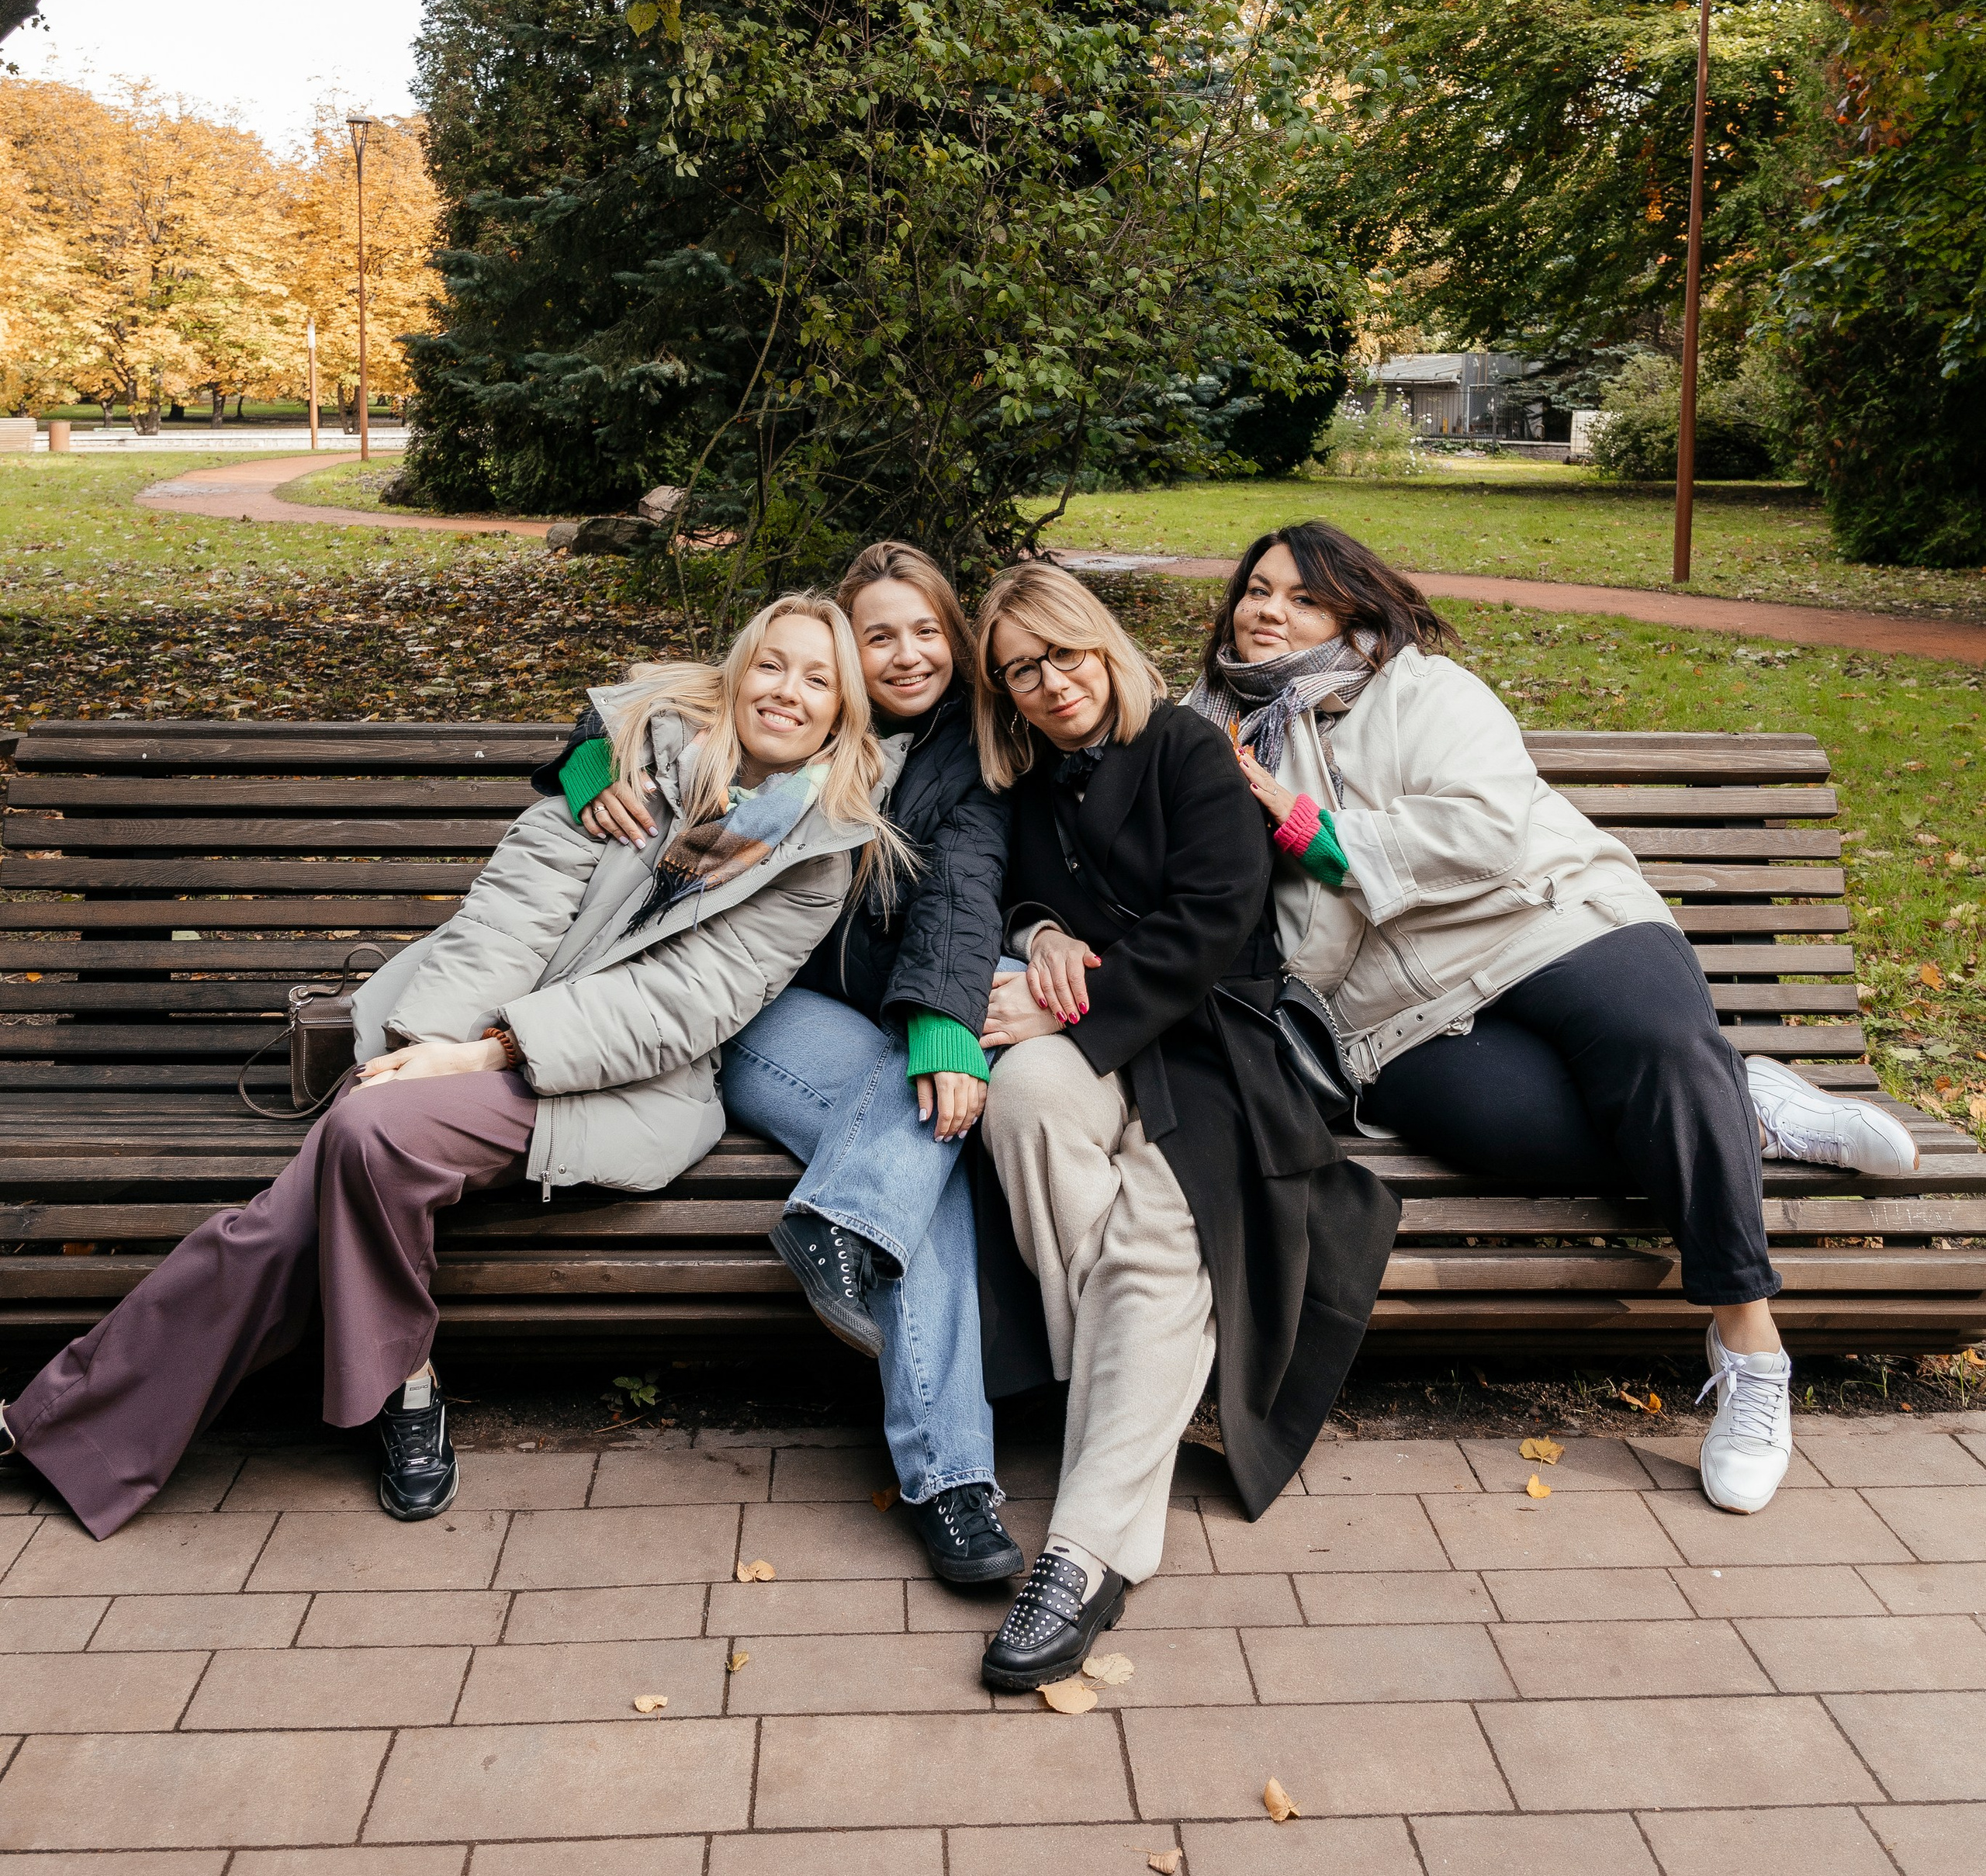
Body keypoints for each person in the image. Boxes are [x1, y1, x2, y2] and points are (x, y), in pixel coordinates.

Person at [0, 597, 901, 1539]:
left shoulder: (818, 856)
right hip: (457, 1029)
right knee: (335, 1167)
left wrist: (487, 1051)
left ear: (843, 711)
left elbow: (682, 1007)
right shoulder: (629, 761)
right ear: (738, 669)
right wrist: (419, 1046)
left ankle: (91, 1420)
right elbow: (508, 915)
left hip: (620, 1085)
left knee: (354, 1138)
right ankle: (398, 1384)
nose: (787, 693)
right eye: (773, 665)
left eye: (818, 679)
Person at [1185, 518, 1922, 1520]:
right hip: (1401, 1015)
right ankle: (1738, 1098)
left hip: (1553, 916)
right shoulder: (1206, 732)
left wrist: (1306, 827)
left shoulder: (1425, 690)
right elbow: (1269, 936)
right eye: (1258, 589)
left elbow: (1489, 827)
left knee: (1658, 1046)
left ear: (1355, 612)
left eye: (1303, 596)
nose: (1269, 610)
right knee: (1530, 1129)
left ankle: (1749, 1343)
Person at [971, 564, 1400, 1691]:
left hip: (1213, 1046)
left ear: (1103, 645)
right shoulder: (1032, 783)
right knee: (1023, 1101)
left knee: (1162, 1234)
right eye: (1021, 668)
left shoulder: (1188, 748)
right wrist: (1043, 929)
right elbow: (1024, 890)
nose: (1050, 681)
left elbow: (1217, 919)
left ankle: (1089, 1548)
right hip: (1101, 1040)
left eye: (1063, 652)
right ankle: (1126, 1396)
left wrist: (1085, 973)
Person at [561, 542, 1021, 1587]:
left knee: (928, 1135)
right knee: (921, 1149)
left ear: (954, 638)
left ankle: (949, 1475)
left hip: (824, 1014)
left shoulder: (964, 753)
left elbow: (962, 886)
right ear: (840, 653)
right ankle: (949, 1475)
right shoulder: (786, 704)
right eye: (877, 637)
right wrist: (592, 768)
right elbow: (626, 705)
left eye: (926, 631)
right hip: (697, 1005)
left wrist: (944, 1024)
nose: (906, 656)